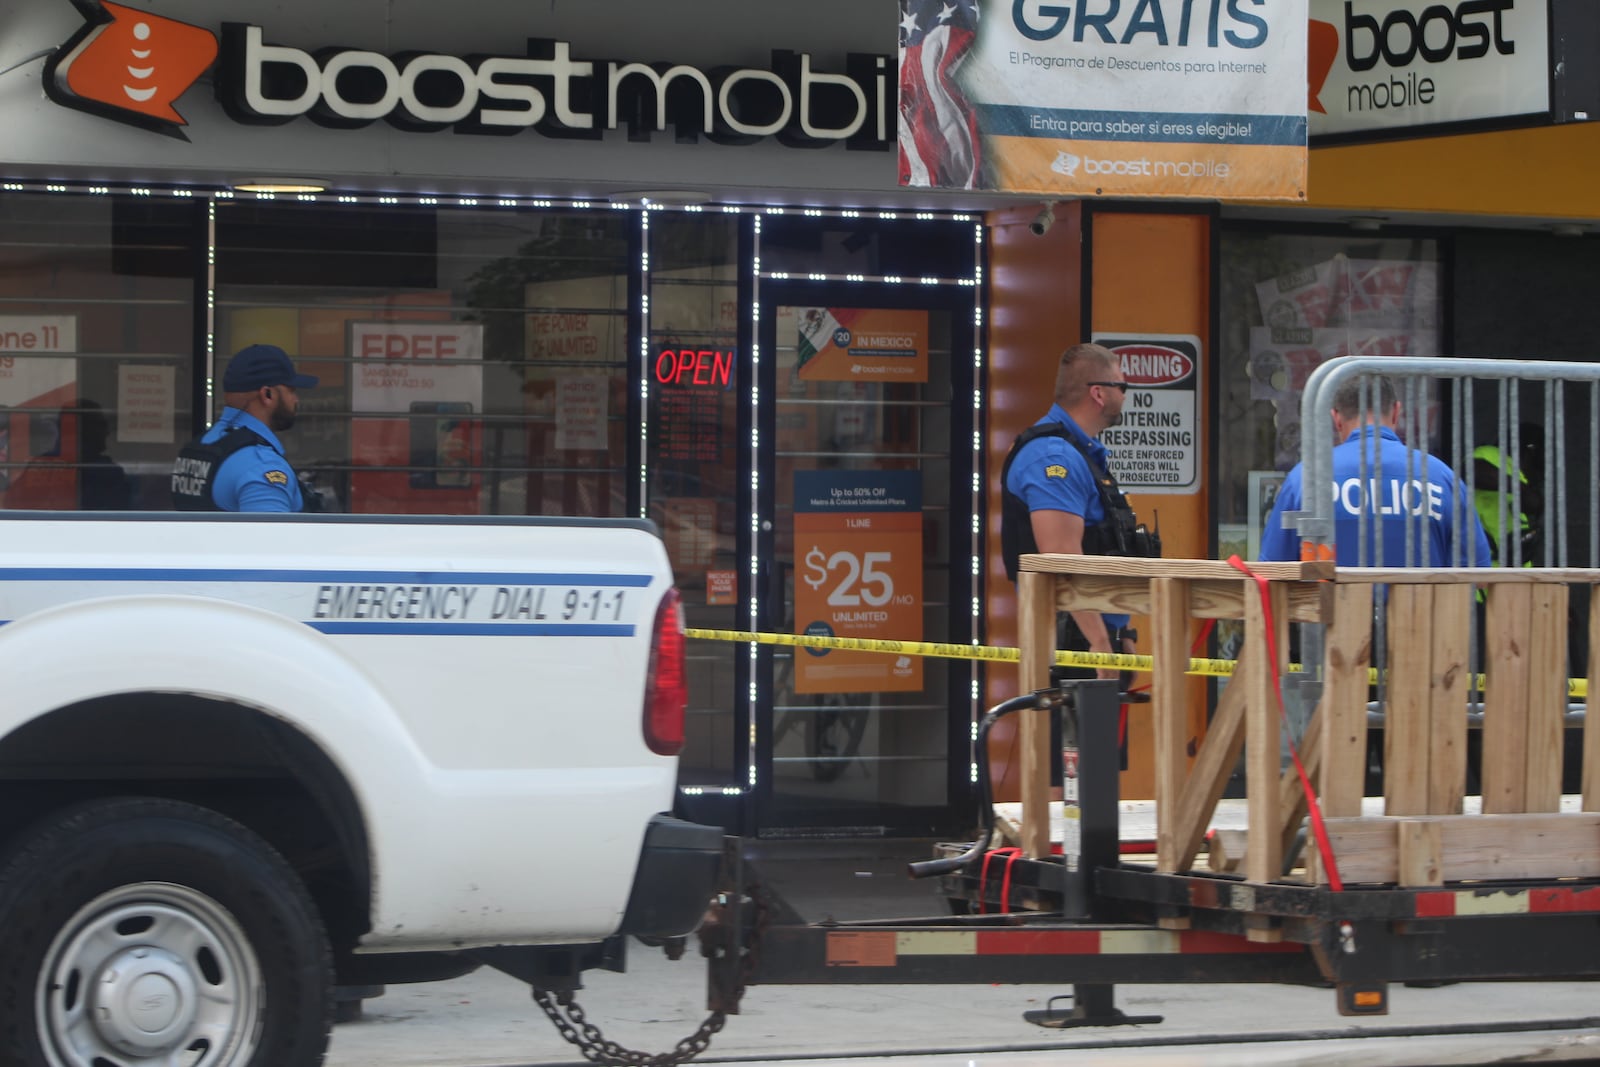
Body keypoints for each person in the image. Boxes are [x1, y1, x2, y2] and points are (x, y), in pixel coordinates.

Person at [1000, 342, 1159, 682]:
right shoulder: (1052, 458)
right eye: (1122, 386)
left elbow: (1104, 549)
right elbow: (1061, 559)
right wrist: (1100, 642)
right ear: (1099, 394)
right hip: (1075, 648)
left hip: (1093, 641)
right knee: (1072, 738)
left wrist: (1121, 634)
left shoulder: (1083, 455)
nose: (1126, 396)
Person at [1259, 376, 1490, 568]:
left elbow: (1273, 568)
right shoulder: (1442, 478)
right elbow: (1476, 574)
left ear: (1336, 419)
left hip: (1332, 622)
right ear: (1397, 412)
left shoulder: (1305, 478)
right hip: (1422, 622)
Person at [171, 343, 318, 512]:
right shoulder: (262, 468)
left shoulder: (198, 448)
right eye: (291, 390)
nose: (296, 399)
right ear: (267, 394)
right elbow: (269, 537)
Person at [1471, 424, 1544, 566]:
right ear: (1530, 452)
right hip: (1485, 570)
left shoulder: (1521, 476)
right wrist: (1521, 490)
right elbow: (1472, 470)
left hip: (1514, 572)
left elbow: (1533, 503)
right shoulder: (1491, 454)